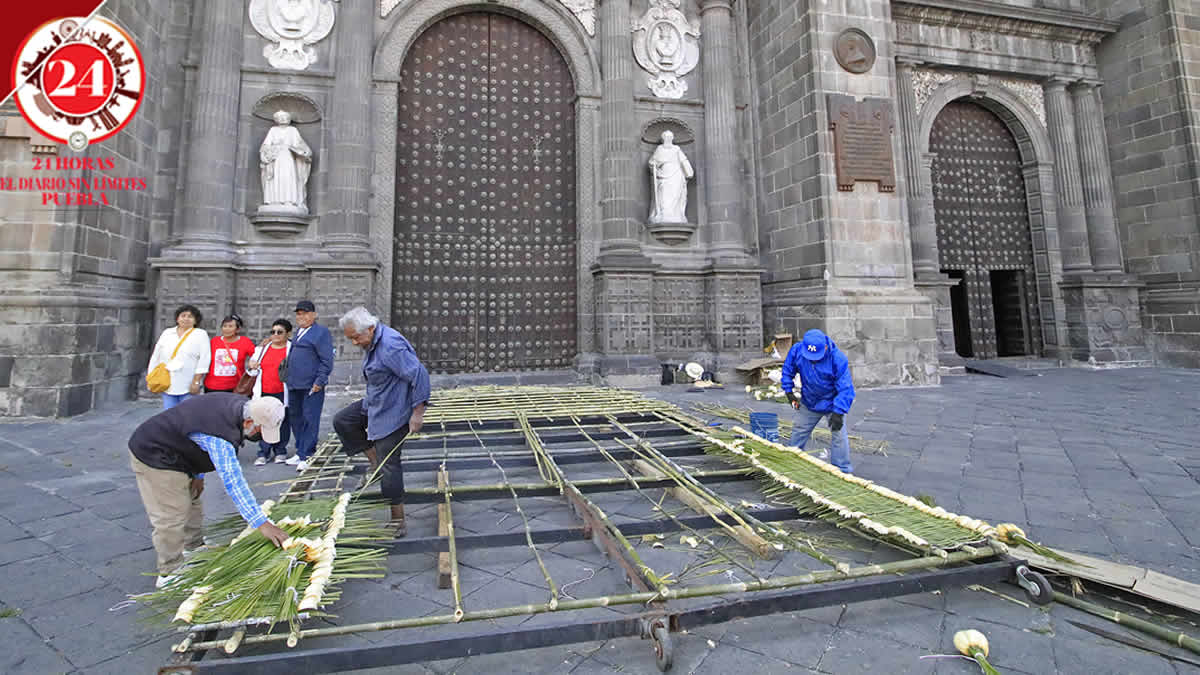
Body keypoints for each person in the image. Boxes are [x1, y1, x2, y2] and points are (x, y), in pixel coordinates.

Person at [128, 393, 290, 587]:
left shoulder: (240, 406)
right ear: (248, 422)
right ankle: (169, 572)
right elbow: (234, 482)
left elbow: (193, 429)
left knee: (193, 500)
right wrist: (262, 524)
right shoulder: (220, 436)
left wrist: (198, 475)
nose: (259, 436)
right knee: (172, 513)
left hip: (180, 454)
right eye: (259, 431)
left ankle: (193, 547)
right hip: (155, 453)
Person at [333, 306, 430, 537]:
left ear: (370, 328)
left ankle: (398, 520)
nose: (355, 343)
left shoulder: (390, 347)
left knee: (390, 463)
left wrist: (418, 414)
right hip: (376, 401)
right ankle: (374, 462)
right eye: (351, 339)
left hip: (394, 410)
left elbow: (420, 375)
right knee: (343, 421)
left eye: (356, 337)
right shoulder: (373, 340)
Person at [781, 329, 856, 474]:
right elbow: (788, 370)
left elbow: (846, 389)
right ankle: (792, 461)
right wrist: (789, 392)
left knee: (839, 436)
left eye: (816, 356)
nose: (813, 360)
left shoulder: (837, 359)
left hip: (832, 403)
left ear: (826, 347)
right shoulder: (798, 350)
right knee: (799, 431)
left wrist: (839, 412)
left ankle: (842, 471)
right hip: (810, 401)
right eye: (810, 357)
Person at [286, 300, 334, 473]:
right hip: (294, 383)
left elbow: (326, 359)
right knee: (296, 417)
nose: (302, 317)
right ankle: (300, 451)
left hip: (311, 384)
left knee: (309, 418)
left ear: (313, 315)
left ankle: (308, 454)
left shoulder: (321, 333)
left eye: (305, 313)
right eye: (299, 314)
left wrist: (320, 381)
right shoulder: (299, 332)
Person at [247, 319, 293, 465]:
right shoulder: (262, 349)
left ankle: (280, 451)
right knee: (263, 420)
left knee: (282, 421)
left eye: (280, 332)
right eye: (273, 332)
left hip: (282, 391)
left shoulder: (292, 349)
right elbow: (252, 372)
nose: (275, 335)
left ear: (288, 334)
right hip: (264, 391)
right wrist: (252, 365)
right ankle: (263, 452)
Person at [148, 304, 211, 409]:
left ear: (196, 320)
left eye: (190, 316)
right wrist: (151, 377)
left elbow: (204, 359)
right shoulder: (167, 333)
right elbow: (156, 356)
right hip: (167, 382)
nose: (186, 319)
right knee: (169, 414)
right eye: (183, 315)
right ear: (177, 318)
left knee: (187, 415)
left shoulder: (200, 334)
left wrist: (196, 381)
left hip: (188, 383)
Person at [204, 314, 256, 393]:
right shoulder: (214, 341)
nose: (227, 329)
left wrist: (253, 361)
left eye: (230, 326)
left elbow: (257, 355)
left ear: (238, 329)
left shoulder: (245, 342)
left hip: (235, 387)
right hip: (212, 386)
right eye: (225, 326)